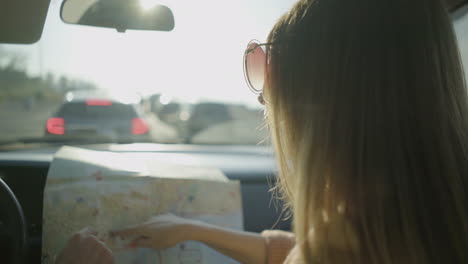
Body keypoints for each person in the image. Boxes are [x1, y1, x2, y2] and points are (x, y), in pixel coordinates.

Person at [56, 0, 468, 263]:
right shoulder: (401, 221)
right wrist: (192, 229)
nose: (263, 100)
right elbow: (300, 249)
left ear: (333, 103)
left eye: (274, 73)